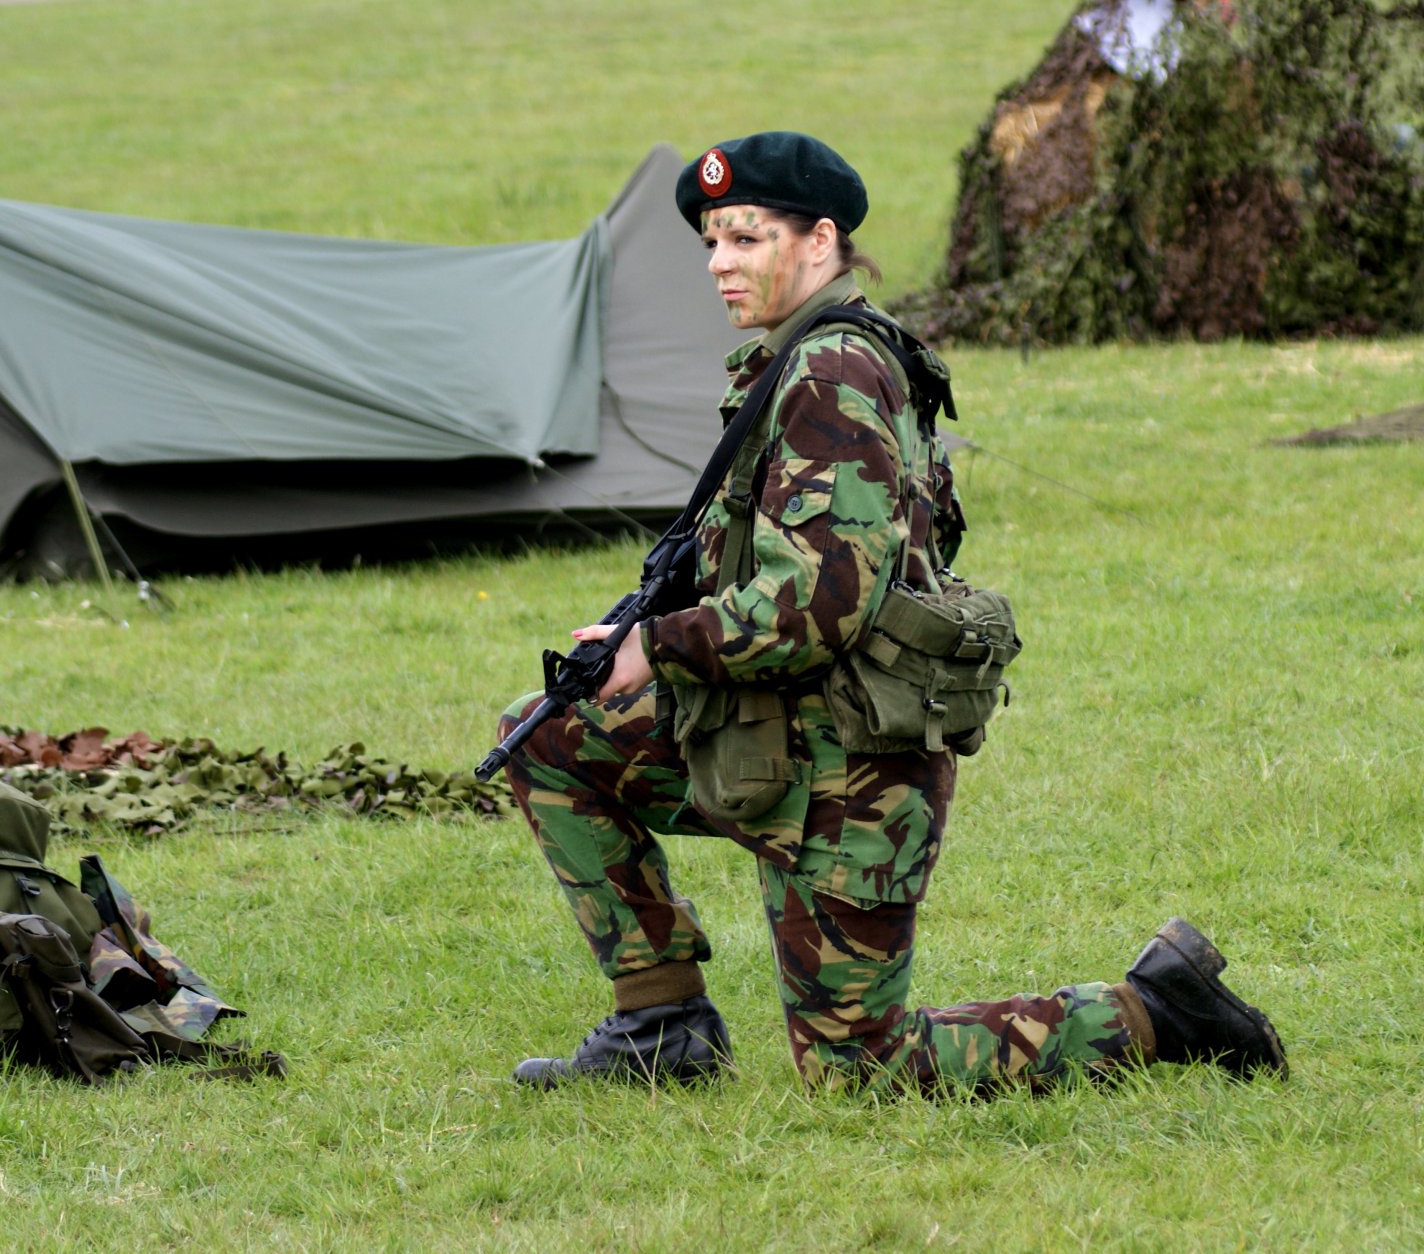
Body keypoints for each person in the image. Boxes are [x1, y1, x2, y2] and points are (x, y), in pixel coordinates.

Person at [497, 131, 1286, 1094]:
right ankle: (662, 1026)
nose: (719, 264)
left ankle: (1156, 1010)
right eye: (711, 242)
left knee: (862, 1069)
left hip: (855, 772)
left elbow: (816, 604)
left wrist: (655, 647)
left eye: (746, 239)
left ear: (821, 240)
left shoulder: (833, 375)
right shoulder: (799, 364)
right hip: (775, 728)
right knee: (550, 738)